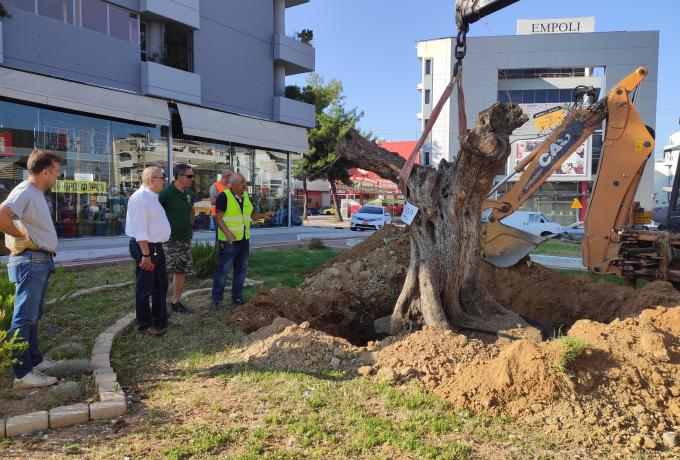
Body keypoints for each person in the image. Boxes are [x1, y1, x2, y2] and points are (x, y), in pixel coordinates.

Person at [0, 149, 61, 388]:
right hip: (30, 260)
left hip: (37, 260)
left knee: (33, 315)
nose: (57, 176)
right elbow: (2, 214)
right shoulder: (25, 191)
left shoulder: (33, 192)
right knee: (24, 317)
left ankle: (34, 360)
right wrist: (19, 234)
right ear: (45, 171)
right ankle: (23, 373)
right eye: (56, 172)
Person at [126, 166, 171, 335]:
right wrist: (145, 254)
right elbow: (140, 230)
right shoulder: (140, 198)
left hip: (155, 247)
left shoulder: (152, 197)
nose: (164, 181)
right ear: (152, 179)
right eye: (162, 178)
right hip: (145, 247)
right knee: (145, 288)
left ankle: (160, 319)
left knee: (161, 285)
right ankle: (145, 325)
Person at [211, 173, 252, 310]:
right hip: (229, 241)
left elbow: (250, 214)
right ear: (233, 184)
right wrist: (227, 233)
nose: (245, 184)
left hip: (243, 239)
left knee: (241, 269)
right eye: (242, 182)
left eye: (245, 181)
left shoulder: (246, 196)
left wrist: (263, 216)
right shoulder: (224, 196)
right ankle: (216, 300)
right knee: (223, 270)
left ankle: (237, 296)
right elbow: (218, 217)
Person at [159, 163, 195, 314]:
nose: (192, 179)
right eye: (190, 176)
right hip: (169, 241)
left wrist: (189, 226)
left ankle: (176, 302)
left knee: (181, 271)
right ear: (179, 176)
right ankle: (159, 306)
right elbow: (155, 213)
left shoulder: (188, 194)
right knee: (165, 274)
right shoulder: (166, 192)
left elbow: (192, 210)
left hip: (184, 240)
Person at [209, 168, 233, 235]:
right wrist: (223, 196)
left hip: (229, 215)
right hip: (218, 215)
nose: (232, 178)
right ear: (226, 176)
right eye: (231, 176)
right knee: (219, 236)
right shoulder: (215, 186)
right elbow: (212, 201)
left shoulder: (230, 186)